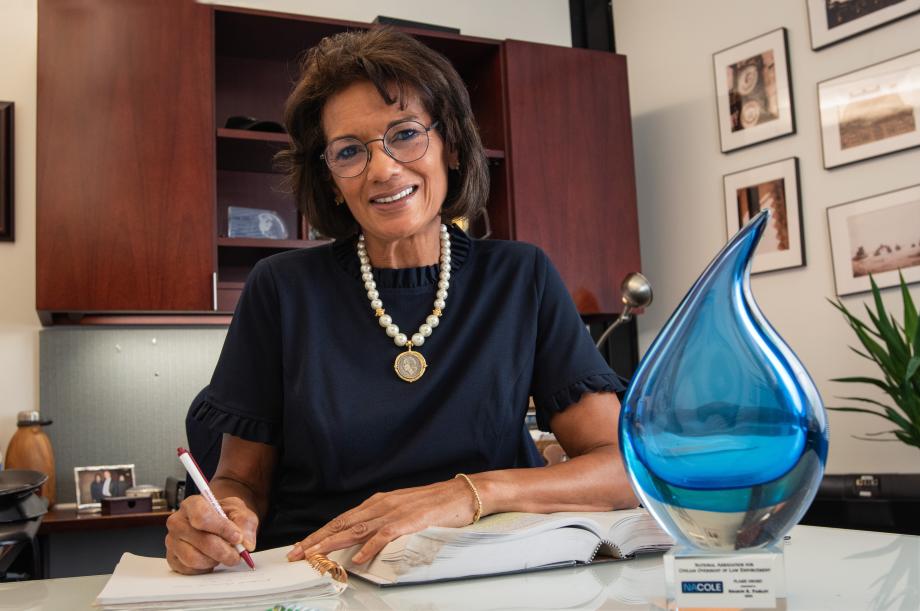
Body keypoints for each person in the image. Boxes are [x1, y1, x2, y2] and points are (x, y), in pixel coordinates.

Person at [165, 28, 637, 575]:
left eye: (406, 134)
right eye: (349, 152)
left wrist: (465, 494)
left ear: (452, 146)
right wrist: (220, 520)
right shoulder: (282, 288)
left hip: (491, 578)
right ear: (331, 177)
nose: (384, 169)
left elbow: (619, 470)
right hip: (323, 579)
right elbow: (241, 481)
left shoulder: (520, 276)